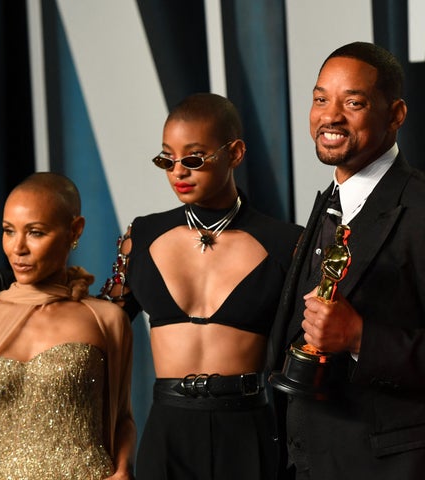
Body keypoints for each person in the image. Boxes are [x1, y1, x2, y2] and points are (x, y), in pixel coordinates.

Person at [267, 41, 425, 480]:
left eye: (353, 102)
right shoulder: (330, 203)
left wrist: (359, 338)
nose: (330, 116)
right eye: (320, 99)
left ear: (396, 115)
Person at [99, 93, 303, 479]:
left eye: (193, 158)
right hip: (168, 430)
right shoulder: (143, 234)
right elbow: (103, 324)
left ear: (236, 153)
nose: (179, 171)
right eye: (166, 159)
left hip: (247, 429)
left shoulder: (285, 242)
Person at [0, 172, 134, 479]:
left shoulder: (105, 319)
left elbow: (122, 417)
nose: (17, 248)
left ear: (74, 230)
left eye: (35, 233)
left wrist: (124, 469)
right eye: (9, 231)